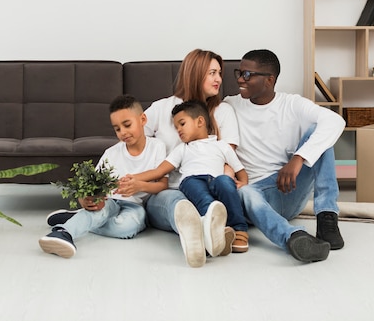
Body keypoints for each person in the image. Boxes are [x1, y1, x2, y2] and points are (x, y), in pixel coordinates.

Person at [224, 49, 345, 263]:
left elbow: (336, 121)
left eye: (248, 75)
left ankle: (327, 216)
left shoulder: (291, 104)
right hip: (254, 195)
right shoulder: (230, 104)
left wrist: (298, 158)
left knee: (321, 129)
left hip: (287, 188)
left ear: (269, 80)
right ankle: (292, 237)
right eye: (239, 73)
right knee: (246, 192)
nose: (240, 80)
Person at [143, 49, 243, 268]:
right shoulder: (162, 108)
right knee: (177, 204)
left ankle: (203, 232)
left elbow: (228, 158)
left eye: (219, 73)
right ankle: (204, 234)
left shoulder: (223, 111)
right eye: (212, 73)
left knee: (203, 202)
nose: (218, 79)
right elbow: (133, 143)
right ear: (195, 73)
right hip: (168, 192)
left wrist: (226, 185)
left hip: (208, 192)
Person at [38, 94, 168, 258]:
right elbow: (94, 188)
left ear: (143, 119)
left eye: (127, 125)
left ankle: (80, 219)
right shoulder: (111, 153)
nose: (123, 132)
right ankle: (64, 232)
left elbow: (163, 184)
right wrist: (84, 200)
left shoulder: (157, 147)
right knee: (100, 212)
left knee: (127, 227)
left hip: (135, 206)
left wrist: (140, 186)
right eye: (117, 129)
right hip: (110, 200)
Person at [128, 100, 249, 258]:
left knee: (225, 182)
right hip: (192, 181)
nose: (178, 130)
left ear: (200, 121)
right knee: (199, 192)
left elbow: (240, 171)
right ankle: (214, 231)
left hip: (216, 180)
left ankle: (239, 231)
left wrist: (242, 183)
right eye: (176, 127)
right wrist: (133, 178)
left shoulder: (222, 146)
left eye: (182, 124)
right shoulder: (182, 149)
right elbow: (159, 171)